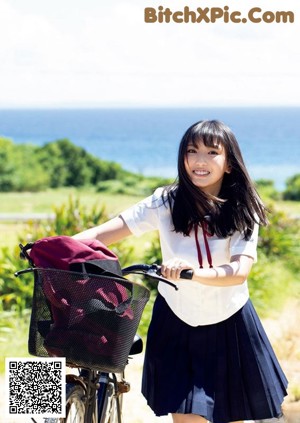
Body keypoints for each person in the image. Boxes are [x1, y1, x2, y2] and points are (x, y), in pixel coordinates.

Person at [73, 120, 288, 423]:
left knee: (229, 416)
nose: (199, 161)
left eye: (212, 152)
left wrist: (194, 272)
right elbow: (106, 233)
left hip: (228, 323)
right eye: (191, 151)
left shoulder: (242, 208)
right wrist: (54, 246)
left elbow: (240, 271)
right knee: (187, 418)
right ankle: (48, 408)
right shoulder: (165, 200)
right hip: (176, 320)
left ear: (229, 163)